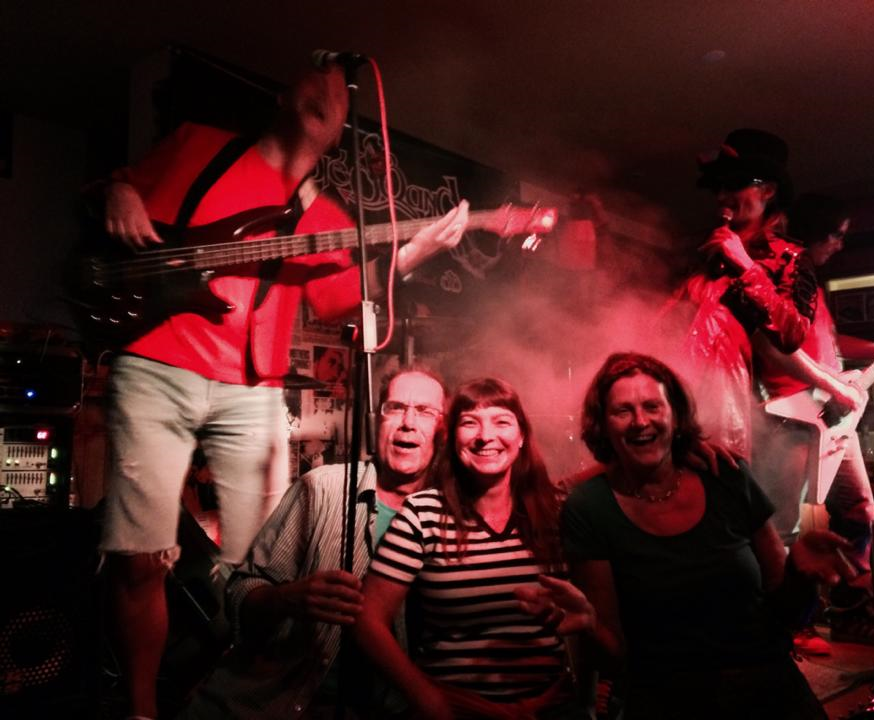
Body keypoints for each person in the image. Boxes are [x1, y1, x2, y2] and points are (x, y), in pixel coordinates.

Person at [94, 58, 470, 720]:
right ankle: (140, 709)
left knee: (258, 564)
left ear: (341, 130)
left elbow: (340, 299)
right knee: (138, 556)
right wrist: (117, 190)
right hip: (156, 356)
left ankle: (230, 686)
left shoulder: (325, 213)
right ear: (284, 92)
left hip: (252, 385)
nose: (334, 78)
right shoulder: (200, 146)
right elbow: (117, 188)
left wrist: (416, 253)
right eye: (320, 67)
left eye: (342, 86)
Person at [562, 352, 857, 719]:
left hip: (768, 691)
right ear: (603, 425)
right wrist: (588, 626)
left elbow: (787, 615)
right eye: (622, 411)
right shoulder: (590, 507)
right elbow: (616, 655)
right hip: (667, 701)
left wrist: (799, 572)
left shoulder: (727, 476)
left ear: (675, 414)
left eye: (652, 405)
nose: (640, 421)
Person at [176, 368, 447, 719]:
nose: (408, 422)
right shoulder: (322, 489)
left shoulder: (453, 517)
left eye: (425, 411)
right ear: (375, 421)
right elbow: (240, 592)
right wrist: (288, 597)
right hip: (274, 703)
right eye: (394, 407)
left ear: (442, 430)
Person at [354, 377, 593, 720]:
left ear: (522, 436)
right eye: (470, 423)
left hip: (550, 708)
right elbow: (367, 620)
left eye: (501, 421)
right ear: (453, 440)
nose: (485, 436)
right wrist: (427, 698)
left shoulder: (555, 511)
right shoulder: (424, 512)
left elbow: (592, 619)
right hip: (456, 711)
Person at [752, 194, 874, 649]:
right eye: (837, 236)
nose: (840, 245)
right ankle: (792, 623)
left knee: (858, 508)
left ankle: (852, 611)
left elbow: (832, 343)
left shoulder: (814, 289)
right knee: (783, 522)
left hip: (832, 413)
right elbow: (776, 346)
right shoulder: (784, 281)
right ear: (814, 233)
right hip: (790, 415)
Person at [668, 128, 818, 456]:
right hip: (673, 398)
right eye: (718, 187)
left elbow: (792, 332)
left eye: (734, 185)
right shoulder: (702, 253)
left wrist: (745, 266)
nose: (722, 197)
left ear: (767, 190)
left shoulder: (788, 258)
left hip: (727, 413)